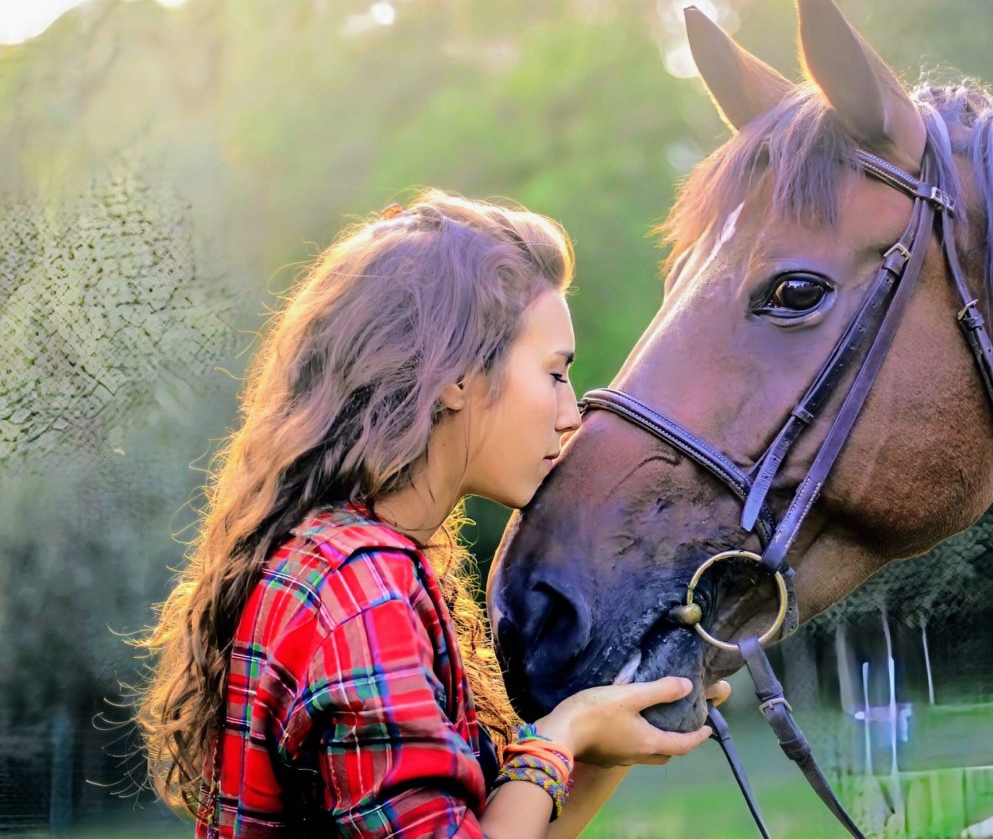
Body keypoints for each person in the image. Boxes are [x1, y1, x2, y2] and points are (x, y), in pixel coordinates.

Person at [131, 190, 729, 838]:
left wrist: (613, 721)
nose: (571, 416)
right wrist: (564, 732)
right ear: (457, 376)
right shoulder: (361, 591)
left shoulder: (345, 562)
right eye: (556, 374)